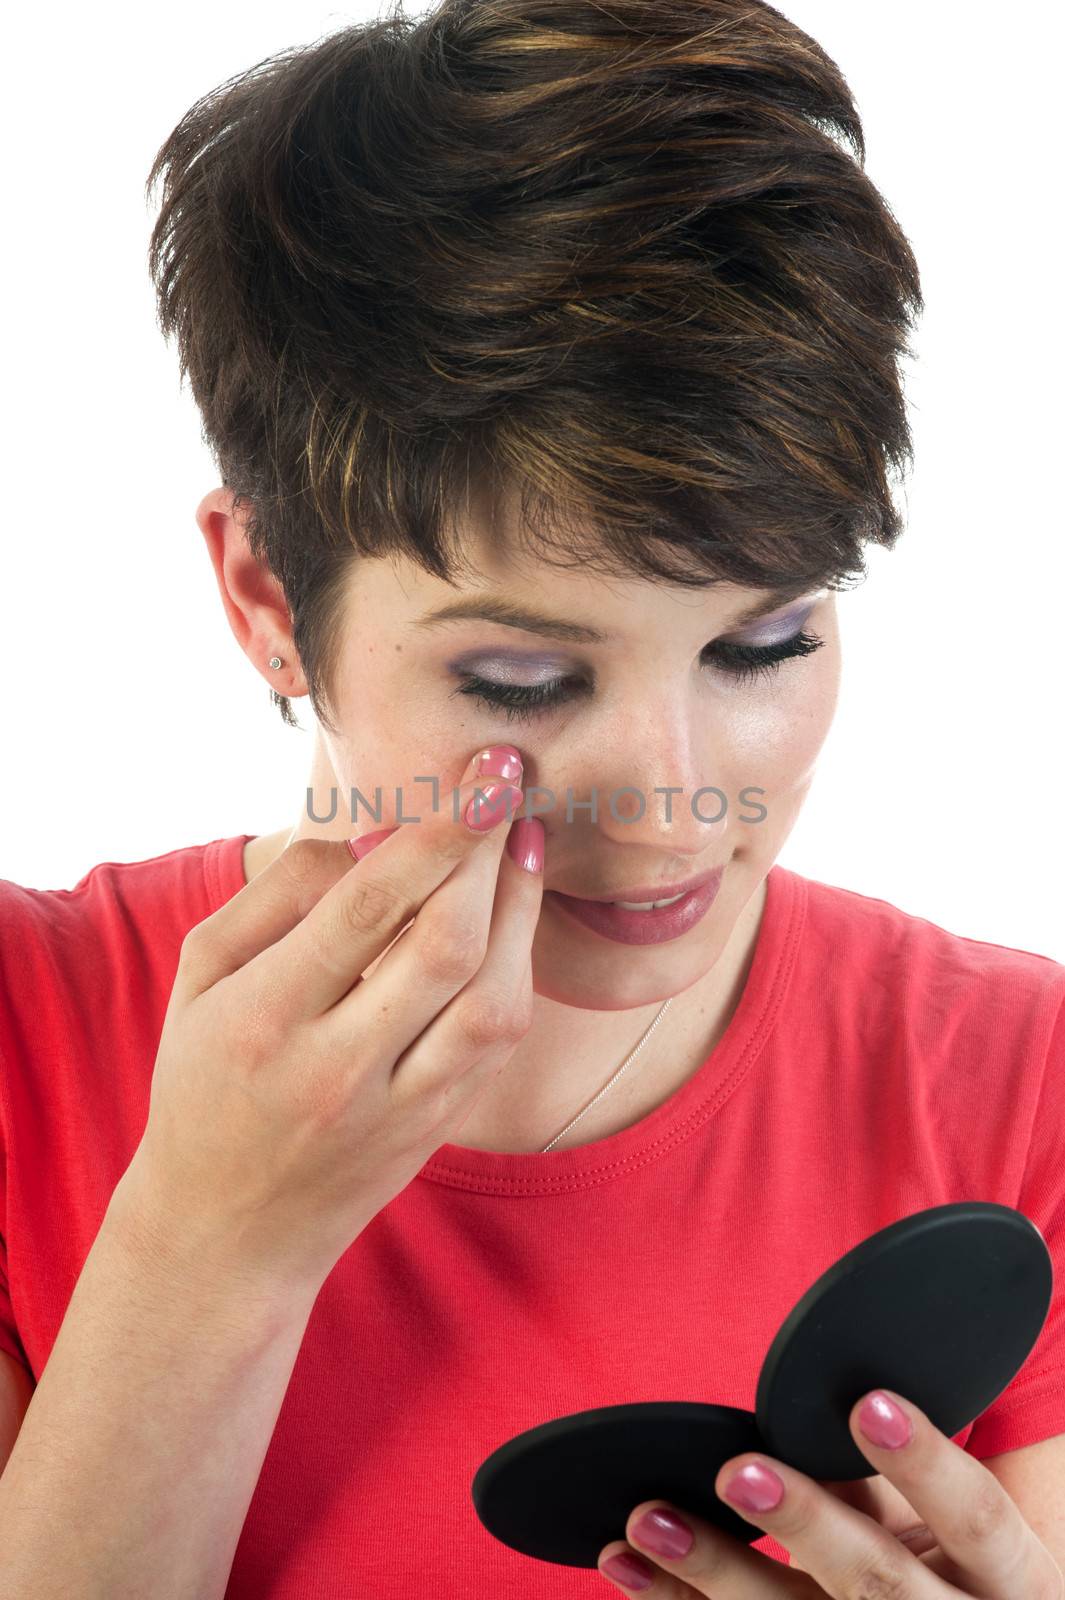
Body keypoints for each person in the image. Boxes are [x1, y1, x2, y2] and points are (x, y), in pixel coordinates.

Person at [0, 0, 1062, 1595]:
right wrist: (210, 1247)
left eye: (760, 641)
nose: (670, 807)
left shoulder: (1014, 1077)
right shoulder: (28, 1038)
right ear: (267, 598)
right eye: (521, 681)